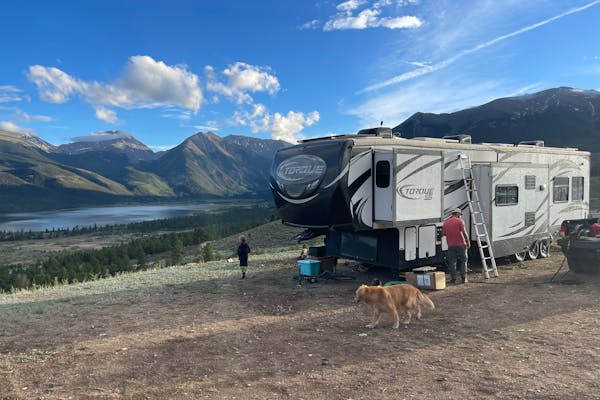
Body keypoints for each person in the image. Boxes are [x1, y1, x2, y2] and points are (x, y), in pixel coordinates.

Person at [443, 208, 470, 283]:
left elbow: (444, 234)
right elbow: (464, 232)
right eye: (460, 214)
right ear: (457, 214)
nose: (460, 216)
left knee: (452, 262)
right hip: (461, 244)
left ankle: (453, 278)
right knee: (463, 261)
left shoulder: (446, 222)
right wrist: (468, 241)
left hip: (451, 245)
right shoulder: (460, 221)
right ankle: (464, 278)